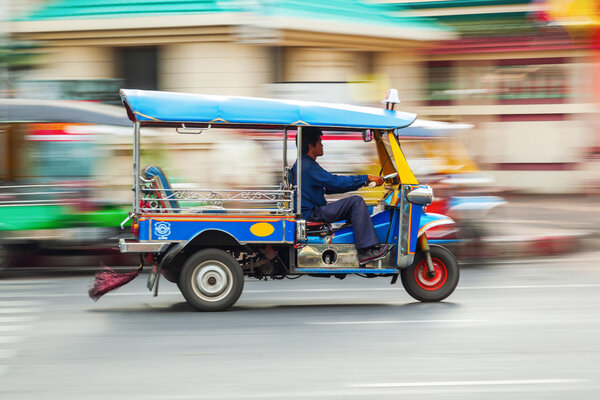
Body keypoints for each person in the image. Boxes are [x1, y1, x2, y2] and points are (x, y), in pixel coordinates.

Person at [289, 127, 390, 265]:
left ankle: (355, 241)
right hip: (312, 214)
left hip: (310, 211)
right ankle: (366, 250)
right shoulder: (308, 166)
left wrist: (361, 182)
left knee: (352, 204)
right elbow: (335, 182)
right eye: (319, 141)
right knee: (356, 201)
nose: (322, 144)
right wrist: (365, 179)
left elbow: (329, 186)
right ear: (310, 146)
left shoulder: (304, 164)